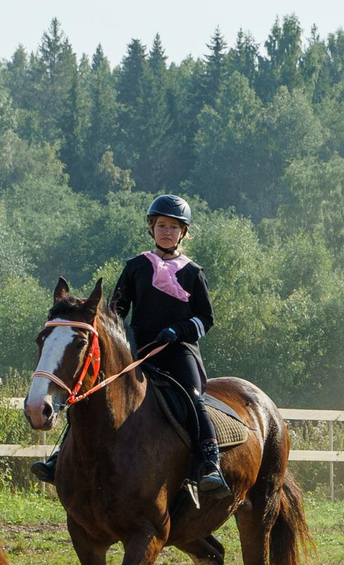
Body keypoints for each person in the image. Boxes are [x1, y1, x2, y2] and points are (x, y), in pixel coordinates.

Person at [38, 194, 230, 506]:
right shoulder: (136, 266)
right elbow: (116, 311)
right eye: (161, 225)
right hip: (138, 351)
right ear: (152, 229)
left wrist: (179, 331)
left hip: (179, 351)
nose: (166, 231)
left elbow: (206, 318)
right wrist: (119, 341)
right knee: (89, 394)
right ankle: (60, 455)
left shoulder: (194, 272)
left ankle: (209, 463)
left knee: (194, 399)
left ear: (184, 233)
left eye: (173, 227)